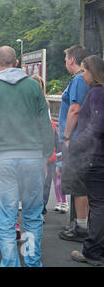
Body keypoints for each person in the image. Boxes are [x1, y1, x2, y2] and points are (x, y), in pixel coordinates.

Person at [0, 46, 54, 267]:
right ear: (17, 63)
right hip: (32, 159)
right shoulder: (33, 87)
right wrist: (45, 156)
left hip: (3, 159)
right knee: (32, 215)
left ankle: (10, 263)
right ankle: (31, 261)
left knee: (7, 217)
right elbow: (45, 126)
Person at [70, 55, 104, 266]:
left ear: (93, 72)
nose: (82, 75)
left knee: (98, 205)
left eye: (84, 71)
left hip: (96, 157)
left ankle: (91, 251)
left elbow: (96, 126)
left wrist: (75, 144)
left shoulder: (97, 93)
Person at [57, 45, 90, 242]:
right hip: (84, 140)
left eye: (65, 59)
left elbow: (74, 109)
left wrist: (67, 137)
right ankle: (80, 224)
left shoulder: (78, 80)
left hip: (75, 140)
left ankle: (81, 228)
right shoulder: (84, 79)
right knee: (80, 185)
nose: (65, 63)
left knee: (78, 186)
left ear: (71, 60)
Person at [30, 74, 66, 215]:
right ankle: (41, 207)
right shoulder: (45, 102)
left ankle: (35, 207)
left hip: (35, 145)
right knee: (45, 179)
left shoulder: (26, 102)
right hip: (45, 144)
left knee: (36, 180)